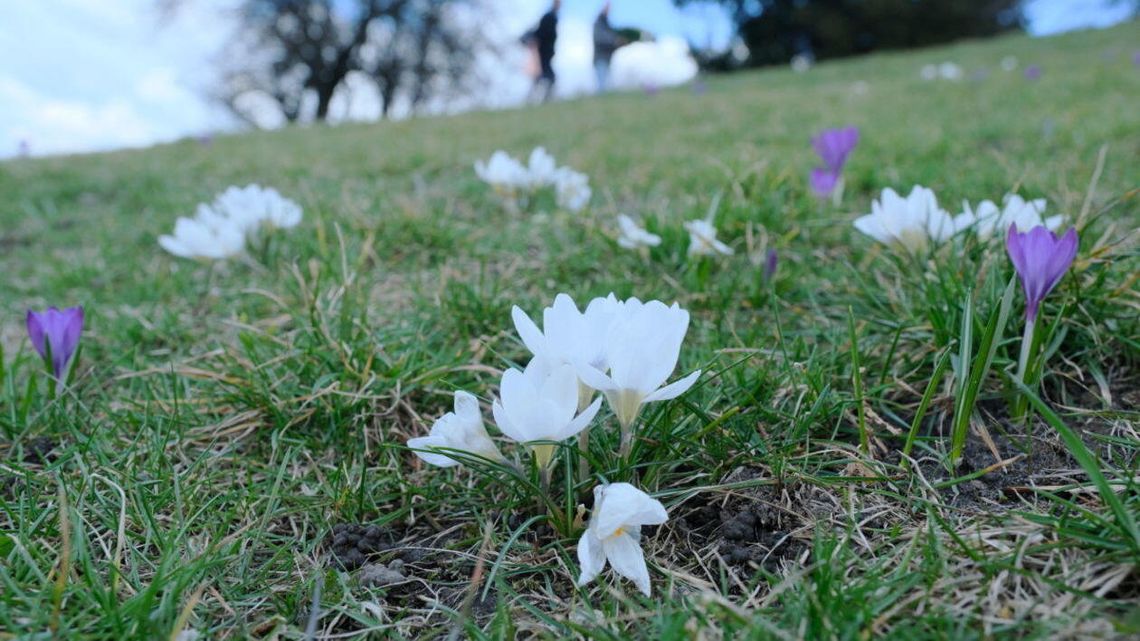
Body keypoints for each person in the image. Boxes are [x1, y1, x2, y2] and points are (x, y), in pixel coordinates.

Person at [528, 0, 560, 103]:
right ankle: (543, 99)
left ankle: (539, 99)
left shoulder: (553, 17)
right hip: (543, 53)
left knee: (542, 77)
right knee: (548, 76)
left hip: (546, 53)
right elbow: (541, 34)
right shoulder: (549, 17)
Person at [593, 3, 623, 93]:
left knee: (607, 84)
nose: (608, 11)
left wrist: (618, 43)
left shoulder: (607, 25)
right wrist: (614, 41)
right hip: (600, 58)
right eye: (607, 8)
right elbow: (600, 39)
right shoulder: (598, 23)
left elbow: (611, 40)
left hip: (607, 58)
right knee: (602, 85)